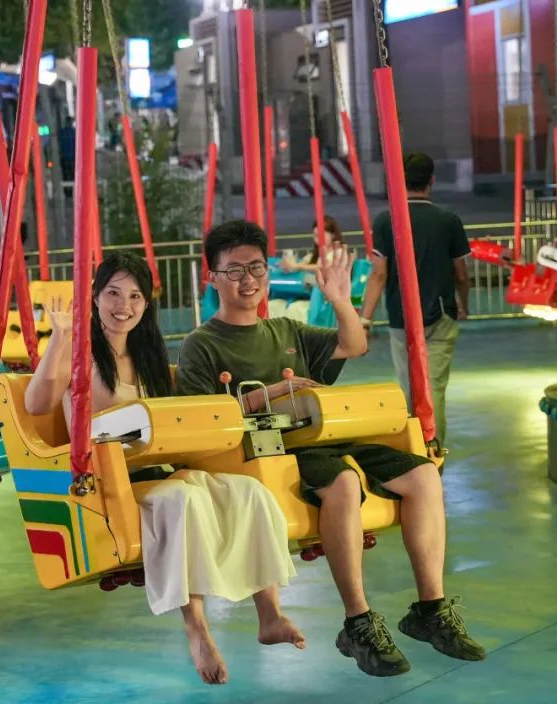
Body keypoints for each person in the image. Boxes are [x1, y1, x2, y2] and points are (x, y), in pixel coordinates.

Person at [177, 220, 485, 678]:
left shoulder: (287, 330)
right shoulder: (202, 345)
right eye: (234, 270)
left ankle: (430, 608)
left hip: (323, 437)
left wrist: (341, 299)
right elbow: (200, 420)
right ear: (213, 278)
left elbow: (354, 344)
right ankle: (358, 621)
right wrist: (268, 396)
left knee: (423, 474)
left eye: (256, 267)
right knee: (342, 481)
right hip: (270, 453)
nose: (248, 279)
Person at [24, 251, 303, 686]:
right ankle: (196, 629)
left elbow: (186, 414)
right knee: (183, 498)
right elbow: (36, 404)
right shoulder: (78, 353)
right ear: (95, 297)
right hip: (108, 480)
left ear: (146, 303)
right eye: (113, 293)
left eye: (135, 296)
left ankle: (269, 614)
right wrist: (61, 338)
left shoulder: (150, 358)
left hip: (160, 468)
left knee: (248, 492)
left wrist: (267, 393)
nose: (124, 305)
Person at [360, 152, 471, 446]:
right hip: (441, 314)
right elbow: (461, 274)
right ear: (431, 180)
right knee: (434, 390)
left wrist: (365, 319)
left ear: (399, 181)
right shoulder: (449, 221)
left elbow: (378, 274)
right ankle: (435, 454)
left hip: (402, 319)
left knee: (409, 389)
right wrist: (464, 304)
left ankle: (415, 453)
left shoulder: (386, 221)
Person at [279, 216, 347, 291]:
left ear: (333, 235)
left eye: (321, 235)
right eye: (315, 236)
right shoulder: (316, 254)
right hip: (320, 289)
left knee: (307, 279)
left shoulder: (339, 252)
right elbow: (303, 264)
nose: (317, 239)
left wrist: (297, 266)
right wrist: (290, 267)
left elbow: (323, 267)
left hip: (334, 289)